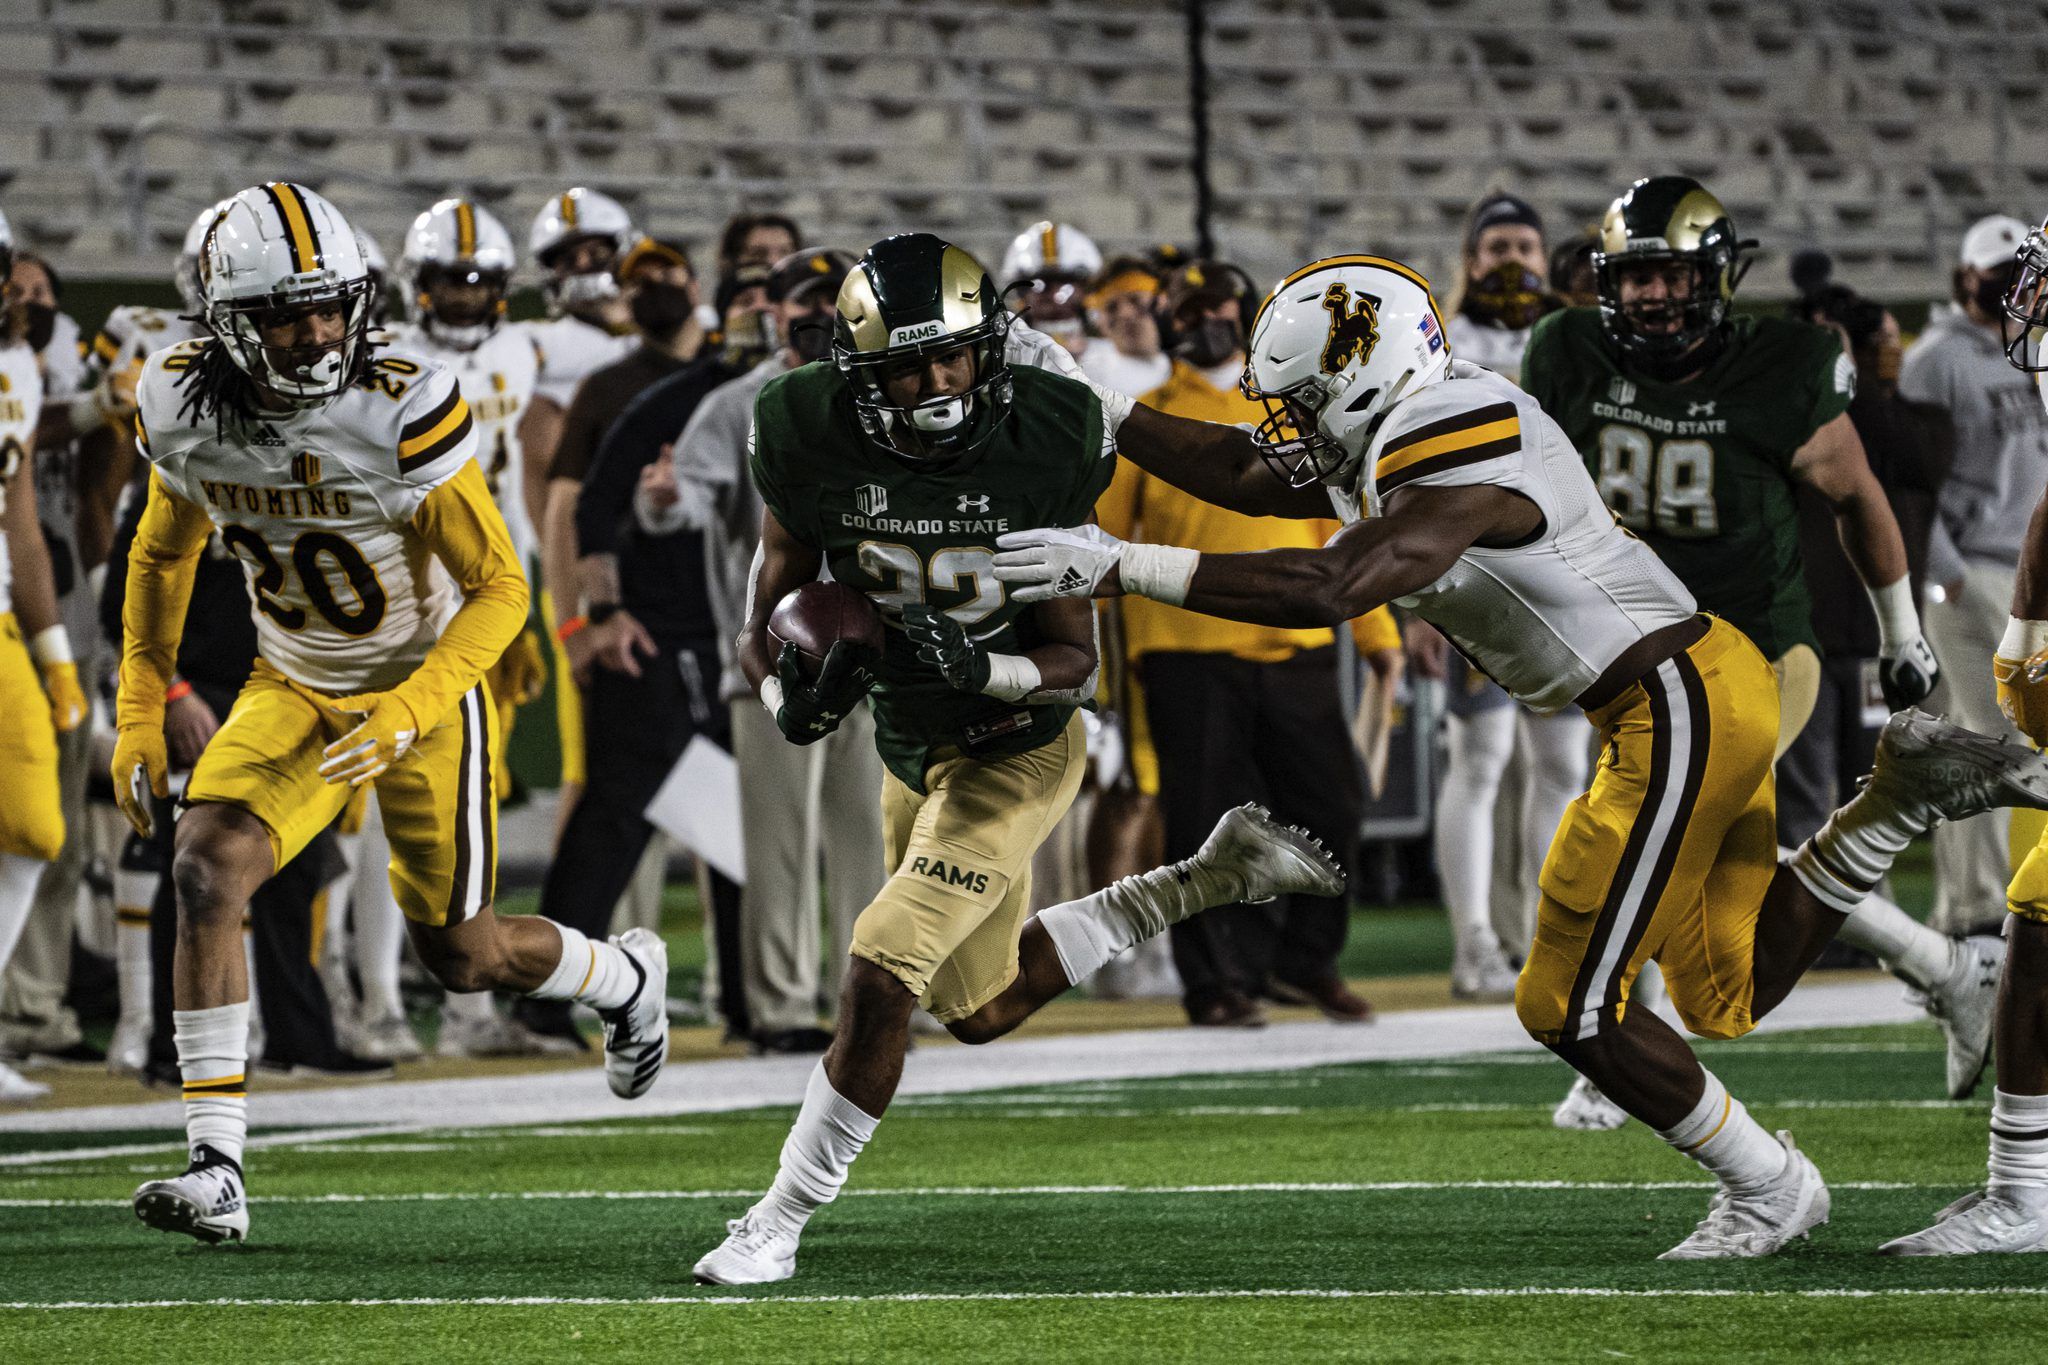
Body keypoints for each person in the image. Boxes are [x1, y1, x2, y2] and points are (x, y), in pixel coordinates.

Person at [992, 252, 2048, 1259]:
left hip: (1671, 705)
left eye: (1305, 402)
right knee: (1722, 992)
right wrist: (1104, 406)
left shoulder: (1449, 433)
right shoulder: (1407, 416)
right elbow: (1243, 469)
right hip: (1689, 691)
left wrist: (1120, 565)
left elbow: (1331, 586)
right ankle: (1892, 802)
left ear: (1363, 379)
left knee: (1568, 1005)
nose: (1290, 428)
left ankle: (1768, 1184)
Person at [689, 233, 1343, 1285]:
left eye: (954, 355)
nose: (938, 384)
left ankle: (777, 1218)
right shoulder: (804, 428)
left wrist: (982, 670)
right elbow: (762, 611)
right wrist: (781, 696)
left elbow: (1074, 663)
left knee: (879, 966)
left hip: (1016, 745)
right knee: (978, 1009)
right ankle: (1201, 881)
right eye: (909, 366)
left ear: (990, 347)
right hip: (909, 747)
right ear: (856, 374)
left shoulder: (1046, 433)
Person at [111, 183, 670, 1245]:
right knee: (204, 869)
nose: (321, 333)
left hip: (422, 690)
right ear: (229, 321)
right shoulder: (179, 397)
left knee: (464, 956)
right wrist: (142, 695)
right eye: (289, 315)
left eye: (333, 306)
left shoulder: (399, 401)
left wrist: (414, 707)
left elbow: (501, 587)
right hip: (291, 682)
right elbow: (161, 550)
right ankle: (216, 1164)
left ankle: (624, 974)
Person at [1523, 176, 1996, 1121]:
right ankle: (1947, 967)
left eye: (1671, 275)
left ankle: (1609, 1031)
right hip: (1634, 658)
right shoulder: (1568, 352)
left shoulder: (1780, 367)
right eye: (1636, 276)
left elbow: (1859, 497)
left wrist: (1901, 633)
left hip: (1761, 651)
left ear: (1716, 278)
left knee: (1660, 824)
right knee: (1705, 884)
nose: (1653, 295)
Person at [1098, 257, 1379, 1027]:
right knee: (1200, 825)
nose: (1204, 321)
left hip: (1296, 639)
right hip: (1186, 648)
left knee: (1331, 807)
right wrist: (1101, 668)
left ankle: (1303, 960)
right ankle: (1214, 979)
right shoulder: (1148, 418)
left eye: (1218, 306)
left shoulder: (1297, 409)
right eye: (1188, 309)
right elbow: (1103, 543)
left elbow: (1344, 528)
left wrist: (1379, 631)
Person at [653, 246, 888, 1055]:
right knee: (778, 847)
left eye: (833, 299)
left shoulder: (880, 395)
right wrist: (663, 503)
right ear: (774, 310)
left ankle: (870, 994)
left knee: (869, 841)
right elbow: (686, 498)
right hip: (773, 657)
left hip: (872, 654)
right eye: (804, 300)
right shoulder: (736, 404)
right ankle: (783, 1005)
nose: (818, 313)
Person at [1881, 216, 2048, 1255]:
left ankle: (2025, 1189)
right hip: (1983, 574)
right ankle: (2023, 1185)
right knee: (2032, 913)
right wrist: (2016, 627)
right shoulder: (1951, 358)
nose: (2025, 302)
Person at [374, 195, 557, 1058]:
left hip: (490, 598)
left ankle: (464, 1008)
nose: (466, 294)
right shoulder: (385, 358)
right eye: (451, 278)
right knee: (385, 812)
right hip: (408, 605)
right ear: (419, 282)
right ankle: (369, 995)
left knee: (469, 807)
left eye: (482, 279)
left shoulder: (520, 349)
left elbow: (511, 492)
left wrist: (520, 607)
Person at [1905, 214, 2048, 939]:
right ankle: (1973, 908)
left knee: (2005, 739)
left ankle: (1981, 904)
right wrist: (1947, 573)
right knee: (1986, 737)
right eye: (1995, 275)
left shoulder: (2033, 346)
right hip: (1976, 566)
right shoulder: (1936, 359)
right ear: (1966, 276)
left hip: (2028, 568)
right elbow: (1909, 479)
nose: (2008, 288)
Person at [0, 209, 87, 1102]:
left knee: (37, 825)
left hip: (1, 623)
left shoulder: (17, 365)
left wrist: (55, 651)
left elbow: (20, 518)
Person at [998, 219, 1102, 359]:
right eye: (1041, 286)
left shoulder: (1114, 356)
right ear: (1020, 295)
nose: (1056, 298)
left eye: (1066, 283)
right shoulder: (1002, 358)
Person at [1078, 255, 1171, 397]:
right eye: (1111, 308)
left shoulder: (1184, 367)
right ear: (1099, 322)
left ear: (1161, 303)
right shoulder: (1089, 378)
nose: (1125, 314)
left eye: (1136, 300)